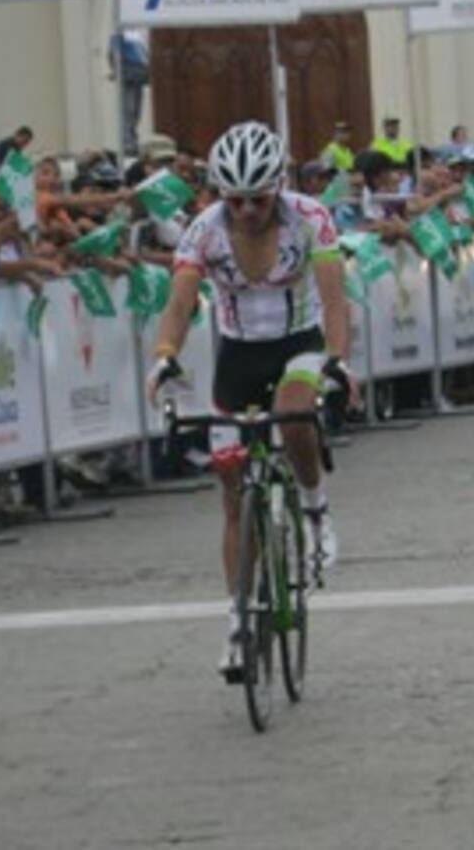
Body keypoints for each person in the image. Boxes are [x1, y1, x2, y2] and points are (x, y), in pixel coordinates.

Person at [145, 121, 354, 677]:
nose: (247, 211)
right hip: (238, 354)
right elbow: (181, 300)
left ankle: (314, 509)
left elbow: (335, 300)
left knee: (294, 415)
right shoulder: (205, 231)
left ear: (277, 187)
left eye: (258, 199)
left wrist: (338, 359)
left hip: (299, 343)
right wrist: (165, 353)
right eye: (234, 199)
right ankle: (238, 621)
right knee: (234, 495)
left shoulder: (310, 217)